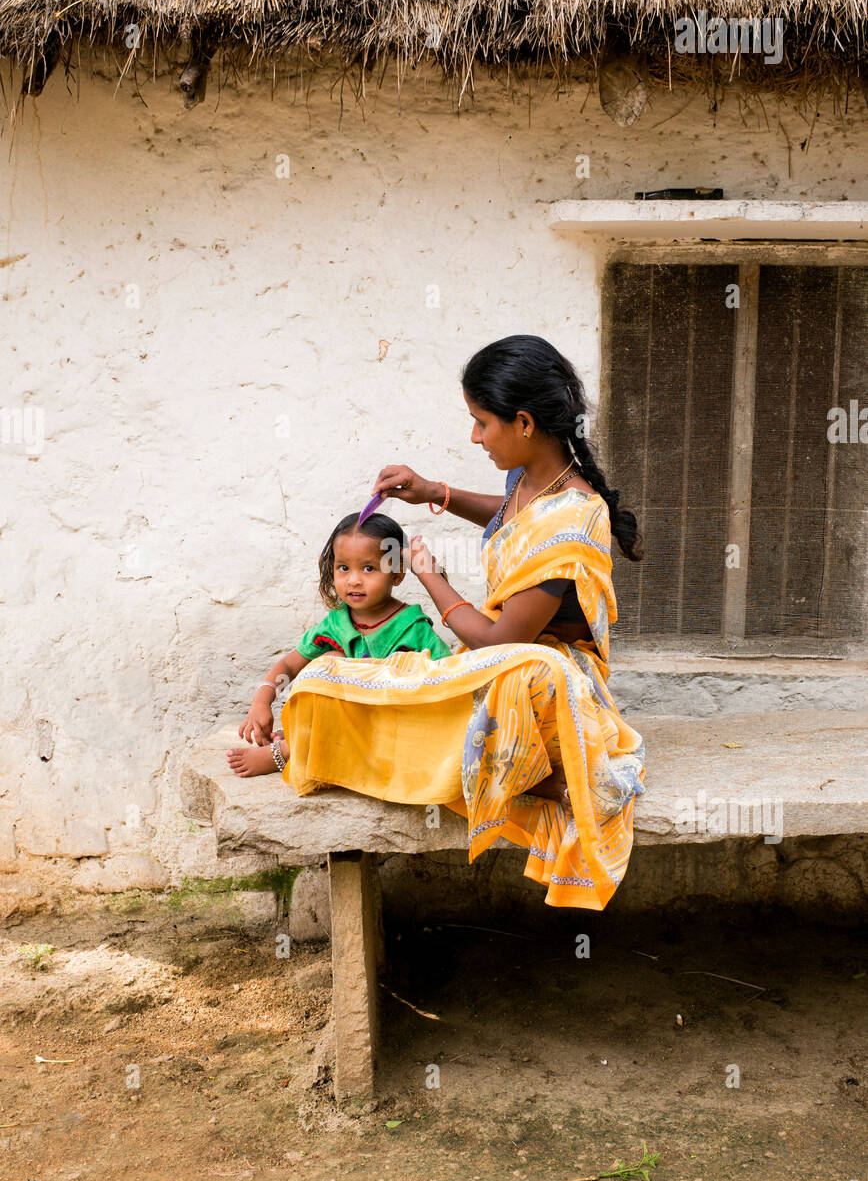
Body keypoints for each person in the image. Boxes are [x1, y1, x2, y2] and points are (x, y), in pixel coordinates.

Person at [279, 335, 646, 910]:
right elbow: (508, 516)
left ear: (523, 422)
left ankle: (542, 772)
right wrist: (434, 491)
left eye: (481, 423)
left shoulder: (572, 520)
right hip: (505, 664)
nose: (475, 438)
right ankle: (521, 770)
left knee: (383, 695)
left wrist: (428, 576)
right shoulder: (532, 478)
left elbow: (501, 640)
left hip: (544, 682)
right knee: (340, 682)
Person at [226, 511, 451, 777]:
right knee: (328, 659)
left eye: (369, 568)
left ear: (397, 573)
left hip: (389, 730)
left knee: (353, 666)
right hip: (339, 727)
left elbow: (447, 678)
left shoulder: (413, 629)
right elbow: (289, 664)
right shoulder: (336, 624)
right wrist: (261, 703)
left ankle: (287, 751)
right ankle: (304, 737)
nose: (354, 580)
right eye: (344, 568)